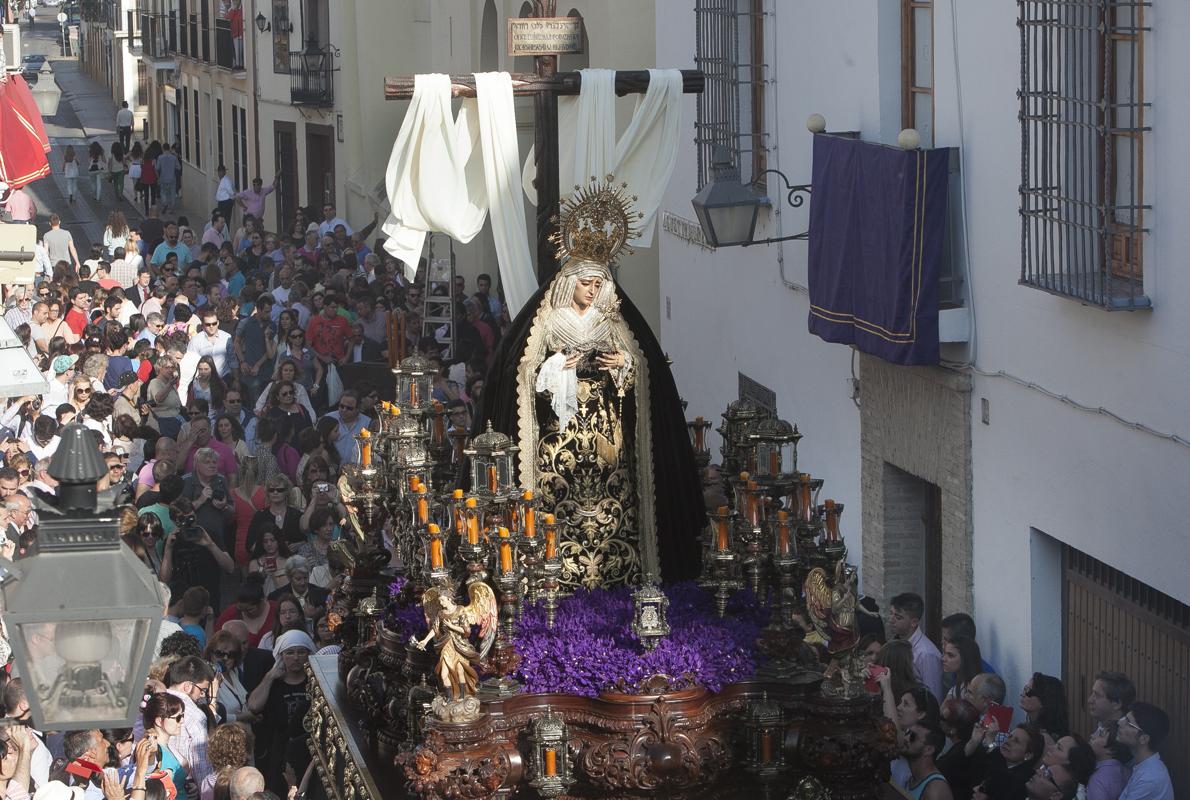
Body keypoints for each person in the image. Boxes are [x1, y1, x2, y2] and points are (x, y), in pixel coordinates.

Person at [478, 183, 702, 589]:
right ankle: (549, 577)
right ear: (569, 282)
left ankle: (620, 574)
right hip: (555, 438)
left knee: (613, 505)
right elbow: (518, 371)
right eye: (586, 284)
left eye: (598, 285)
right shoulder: (545, 321)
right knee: (556, 509)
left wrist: (624, 365)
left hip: (607, 437)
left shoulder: (612, 321)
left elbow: (643, 368)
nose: (593, 291)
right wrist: (554, 367)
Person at [245, 630, 315, 795]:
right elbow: (254, 706)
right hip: (279, 752)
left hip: (309, 750)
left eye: (301, 652)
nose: (296, 657)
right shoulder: (274, 684)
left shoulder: (314, 682)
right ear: (281, 655)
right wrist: (270, 677)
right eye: (290, 653)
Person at [889, 592, 944, 701]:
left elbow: (933, 698)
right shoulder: (896, 642)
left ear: (913, 622)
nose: (891, 620)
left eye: (898, 617)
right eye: (891, 613)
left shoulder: (926, 654)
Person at [1116, 703, 1173, 800]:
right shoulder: (1143, 765)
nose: (1119, 723)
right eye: (1124, 718)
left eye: (1128, 723)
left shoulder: (1149, 778)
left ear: (1143, 738)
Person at [140, 691, 189, 800]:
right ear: (158, 721)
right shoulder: (155, 752)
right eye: (177, 717)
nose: (182, 721)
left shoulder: (165, 746)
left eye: (182, 716)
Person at [896, 722, 953, 800]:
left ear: (928, 750)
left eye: (913, 737)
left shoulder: (934, 790)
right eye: (907, 732)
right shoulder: (913, 777)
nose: (905, 738)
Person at [1087, 721, 1131, 800]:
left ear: (1111, 750)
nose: (1092, 736)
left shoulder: (1097, 780)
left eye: (1100, 735)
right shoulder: (1129, 772)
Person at [1020, 673, 1070, 740]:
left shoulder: (1046, 738)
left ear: (1044, 701)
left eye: (1029, 691)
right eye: (1025, 688)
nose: (1023, 694)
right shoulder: (1031, 728)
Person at [942, 636, 982, 702]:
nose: (943, 659)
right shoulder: (958, 679)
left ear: (966, 659)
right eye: (944, 653)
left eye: (950, 655)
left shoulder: (972, 693)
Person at [156, 144, 180, 214]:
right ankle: (172, 208)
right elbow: (178, 167)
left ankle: (165, 203)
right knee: (173, 193)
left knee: (163, 192)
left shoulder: (160, 157)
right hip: (172, 178)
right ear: (169, 148)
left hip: (163, 178)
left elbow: (157, 168)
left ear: (163, 149)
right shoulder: (174, 157)